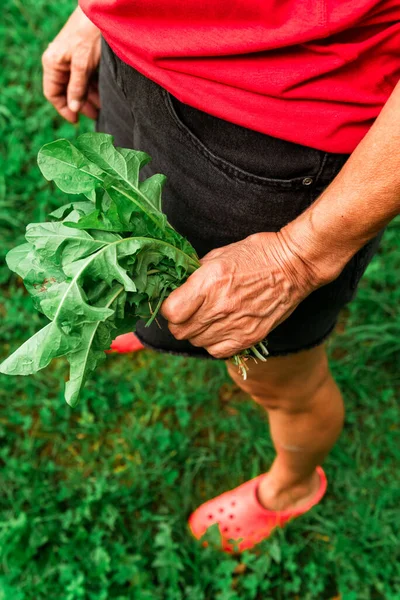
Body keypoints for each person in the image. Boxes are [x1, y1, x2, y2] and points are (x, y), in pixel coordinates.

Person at [41, 2, 400, 553]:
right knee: (141, 262)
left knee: (278, 379)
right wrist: (99, 13)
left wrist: (297, 257)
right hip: (134, 62)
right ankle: (159, 324)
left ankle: (293, 485)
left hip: (278, 126)